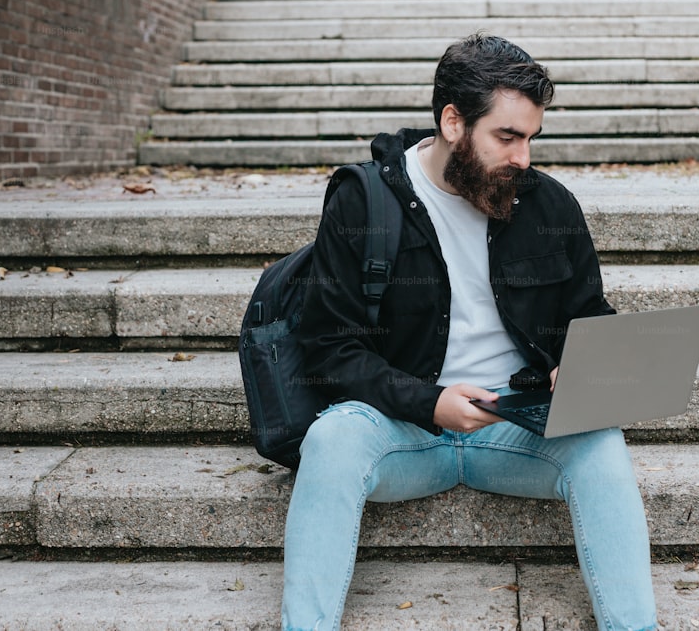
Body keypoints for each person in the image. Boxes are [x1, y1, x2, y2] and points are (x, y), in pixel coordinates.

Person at [282, 33, 657, 631]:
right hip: (400, 430)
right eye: (507, 137)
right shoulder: (364, 202)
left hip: (515, 430)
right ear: (453, 122)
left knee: (600, 445)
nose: (523, 158)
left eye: (531, 138)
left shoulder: (548, 206)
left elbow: (587, 312)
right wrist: (429, 402)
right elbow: (326, 349)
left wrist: (582, 363)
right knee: (328, 443)